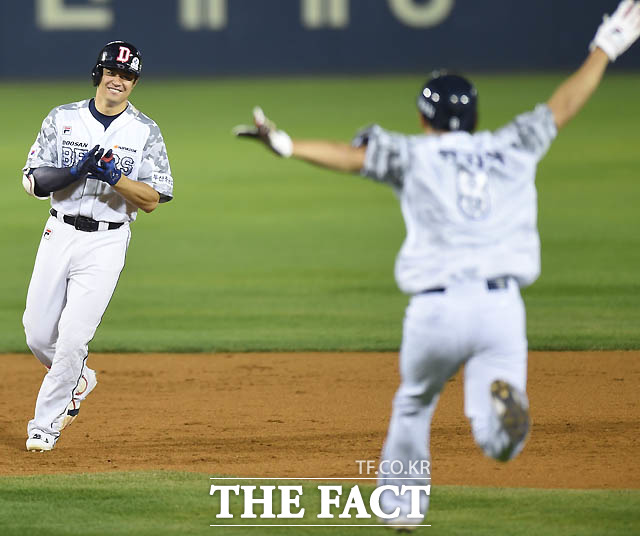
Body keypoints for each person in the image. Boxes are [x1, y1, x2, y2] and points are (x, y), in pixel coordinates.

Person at [234, 0, 640, 529]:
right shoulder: (511, 146)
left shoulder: (413, 154)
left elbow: (350, 156)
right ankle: (501, 422)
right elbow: (562, 105)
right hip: (501, 308)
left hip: (437, 310)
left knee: (414, 404)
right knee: (497, 444)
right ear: (474, 116)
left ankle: (403, 510)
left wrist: (286, 145)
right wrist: (606, 46)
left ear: (424, 118)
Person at [22, 40, 173, 452]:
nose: (118, 80)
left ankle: (45, 426)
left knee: (72, 339)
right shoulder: (62, 118)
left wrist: (114, 178)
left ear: (134, 82)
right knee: (37, 335)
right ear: (98, 75)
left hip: (107, 242)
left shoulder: (145, 132)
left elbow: (153, 199)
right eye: (112, 72)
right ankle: (79, 376)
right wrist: (75, 169)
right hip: (58, 233)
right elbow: (34, 181)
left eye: (127, 75)